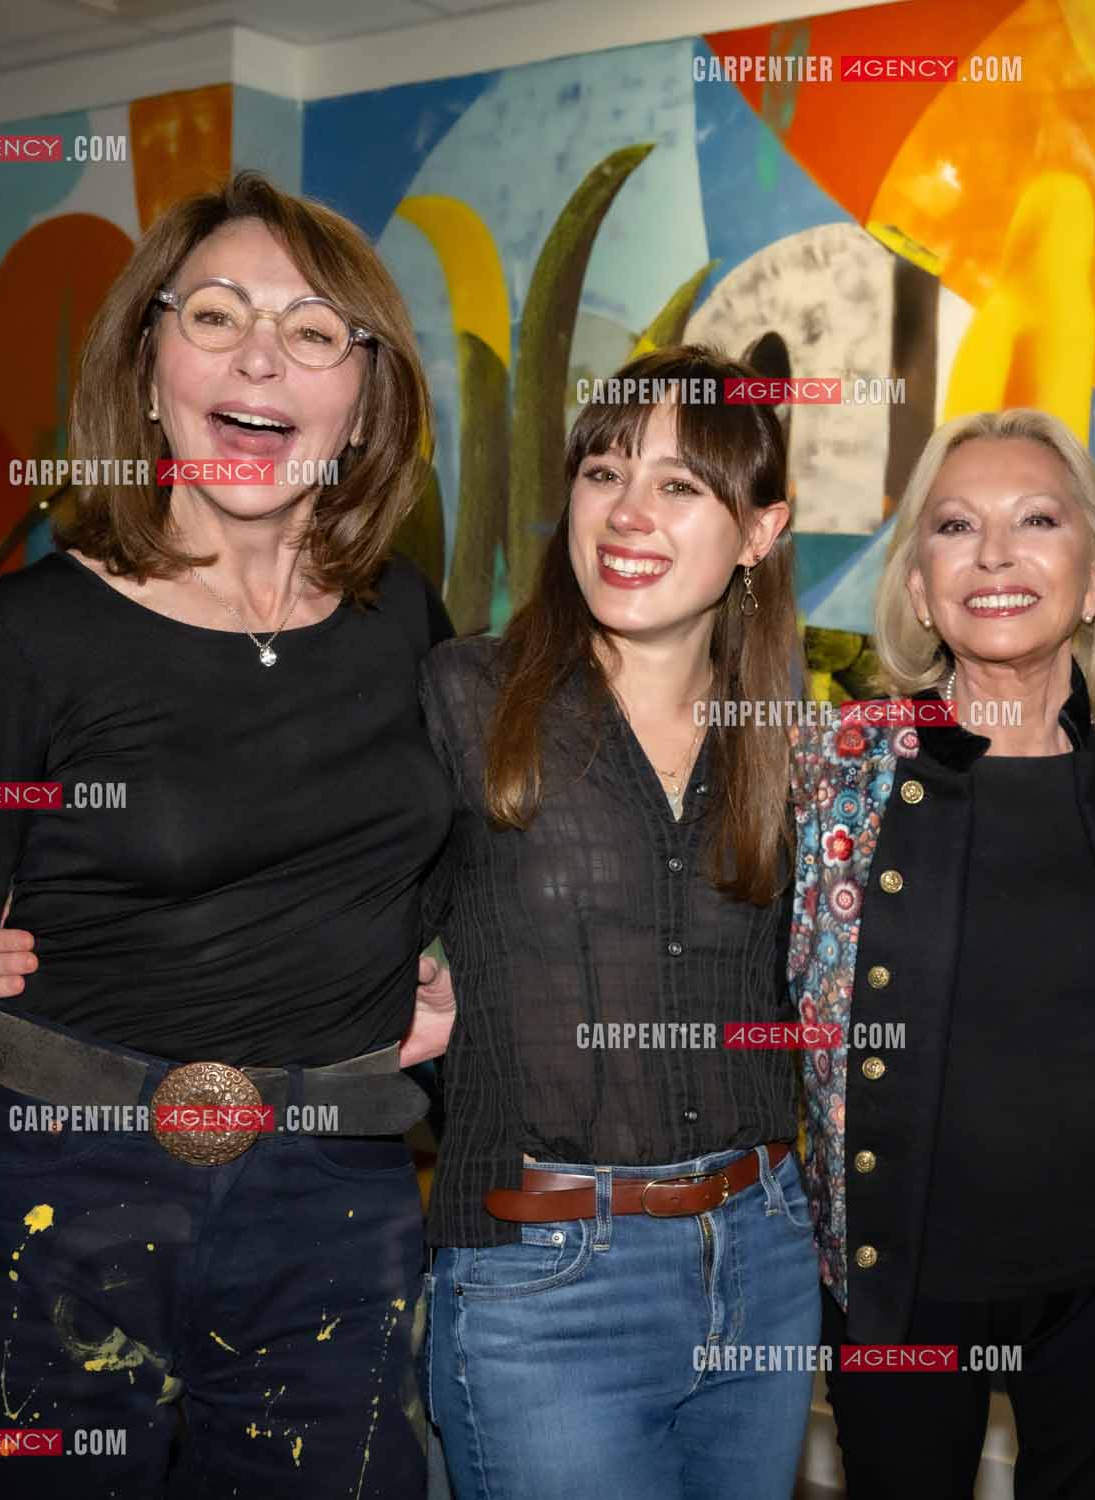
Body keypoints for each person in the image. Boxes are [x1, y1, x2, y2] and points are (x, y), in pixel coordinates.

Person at [0, 171, 455, 1500]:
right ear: (150, 361)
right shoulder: (24, 640)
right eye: (215, 314)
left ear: (363, 393)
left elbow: (436, 859)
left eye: (311, 330)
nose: (259, 357)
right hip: (61, 1202)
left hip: (333, 1199)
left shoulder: (403, 621)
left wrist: (431, 965)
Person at [418, 344, 817, 1498]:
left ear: (759, 530)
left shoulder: (784, 736)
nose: (627, 512)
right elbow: (307, 883)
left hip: (764, 1259)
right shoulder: (465, 696)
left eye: (681, 485)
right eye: (603, 471)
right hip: (544, 1282)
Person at [791, 408, 1095, 1497]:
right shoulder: (835, 773)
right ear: (919, 586)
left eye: (1038, 520)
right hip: (898, 1284)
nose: (997, 554)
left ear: (1094, 578)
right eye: (956, 526)